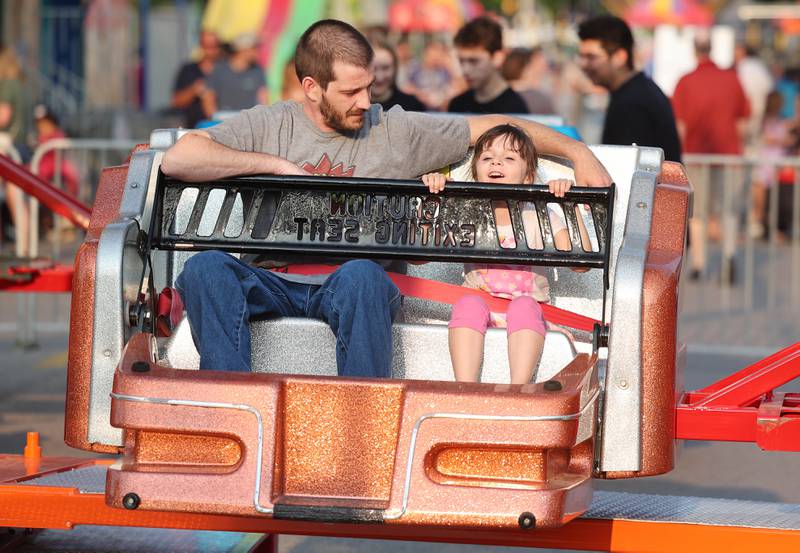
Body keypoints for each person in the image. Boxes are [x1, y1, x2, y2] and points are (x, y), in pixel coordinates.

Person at [161, 19, 611, 378]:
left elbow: (492, 127)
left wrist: (576, 151)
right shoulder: (270, 124)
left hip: (351, 285)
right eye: (351, 91)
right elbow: (179, 159)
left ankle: (360, 423)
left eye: (370, 87)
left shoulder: (393, 130)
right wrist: (275, 167)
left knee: (361, 275)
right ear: (312, 88)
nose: (366, 101)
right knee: (206, 267)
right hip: (271, 279)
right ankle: (233, 408)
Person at [421, 124, 583, 383]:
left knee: (524, 306)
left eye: (509, 158)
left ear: (529, 176)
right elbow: (424, 251)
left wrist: (568, 202)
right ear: (475, 174)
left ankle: (518, 388)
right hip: (481, 306)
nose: (496, 162)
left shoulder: (539, 215)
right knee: (467, 303)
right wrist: (437, 199)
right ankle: (464, 386)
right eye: (487, 158)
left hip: (529, 310)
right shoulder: (467, 214)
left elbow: (579, 263)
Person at [672, 33, 750, 282]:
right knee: (728, 209)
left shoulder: (685, 81)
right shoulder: (731, 79)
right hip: (728, 154)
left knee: (699, 212)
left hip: (696, 155)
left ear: (695, 50)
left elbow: (679, 124)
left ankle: (699, 264)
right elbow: (744, 119)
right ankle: (729, 255)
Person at [577, 15, 681, 162]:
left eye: (591, 57)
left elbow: (626, 170)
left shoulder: (631, 103)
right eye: (581, 56)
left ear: (620, 57)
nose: (583, 64)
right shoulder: (639, 91)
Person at [448, 17, 528, 115]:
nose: (465, 70)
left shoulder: (516, 109)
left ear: (497, 58)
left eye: (474, 61)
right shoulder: (457, 105)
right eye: (461, 61)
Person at [750, 91, 794, 239]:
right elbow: (768, 139)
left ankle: (769, 229)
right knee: (763, 201)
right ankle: (763, 227)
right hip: (766, 166)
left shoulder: (777, 121)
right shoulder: (768, 121)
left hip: (773, 166)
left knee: (772, 200)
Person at [202, 33, 268, 117]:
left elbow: (263, 99)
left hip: (250, 122)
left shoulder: (258, 71)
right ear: (243, 49)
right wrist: (216, 122)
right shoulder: (219, 70)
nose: (257, 51)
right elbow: (208, 99)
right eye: (254, 48)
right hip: (223, 121)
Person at [171, 30, 222, 128]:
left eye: (213, 46)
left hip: (219, 127)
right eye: (206, 46)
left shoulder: (225, 70)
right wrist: (193, 90)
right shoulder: (188, 70)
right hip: (193, 127)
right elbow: (175, 101)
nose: (210, 50)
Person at [735, 44, 773, 147]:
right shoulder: (759, 66)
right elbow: (770, 91)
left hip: (746, 114)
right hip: (760, 113)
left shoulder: (743, 67)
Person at [370, 41, 426, 112]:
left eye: (386, 68)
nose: (379, 77)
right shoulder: (355, 108)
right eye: (373, 69)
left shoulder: (412, 105)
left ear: (395, 68)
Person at [501, 47, 556, 115]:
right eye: (534, 66)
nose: (539, 71)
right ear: (525, 69)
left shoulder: (497, 96)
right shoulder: (539, 99)